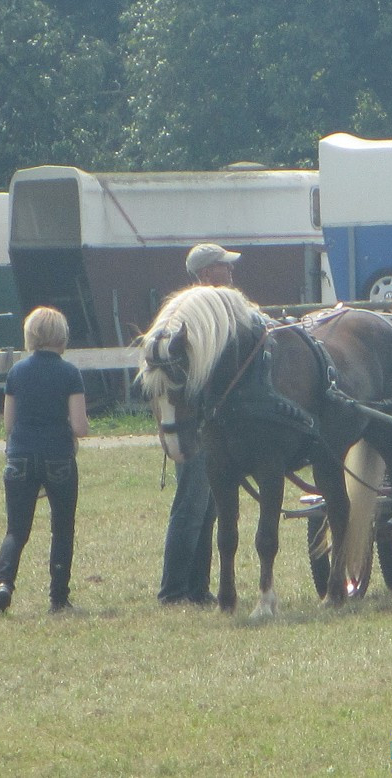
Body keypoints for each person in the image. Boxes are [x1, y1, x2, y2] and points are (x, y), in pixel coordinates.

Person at [156, 243, 240, 605]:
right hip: (196, 424)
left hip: (202, 423)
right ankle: (173, 590)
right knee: (191, 506)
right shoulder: (198, 312)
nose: (231, 272)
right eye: (224, 266)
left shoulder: (199, 309)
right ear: (208, 274)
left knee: (206, 507)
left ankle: (196, 587)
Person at [0, 306, 89, 615]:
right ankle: (58, 598)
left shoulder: (16, 372)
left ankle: (4, 584)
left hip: (20, 455)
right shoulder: (69, 373)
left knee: (16, 530)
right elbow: (80, 427)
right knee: (62, 528)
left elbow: (8, 425)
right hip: (58, 455)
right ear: (61, 337)